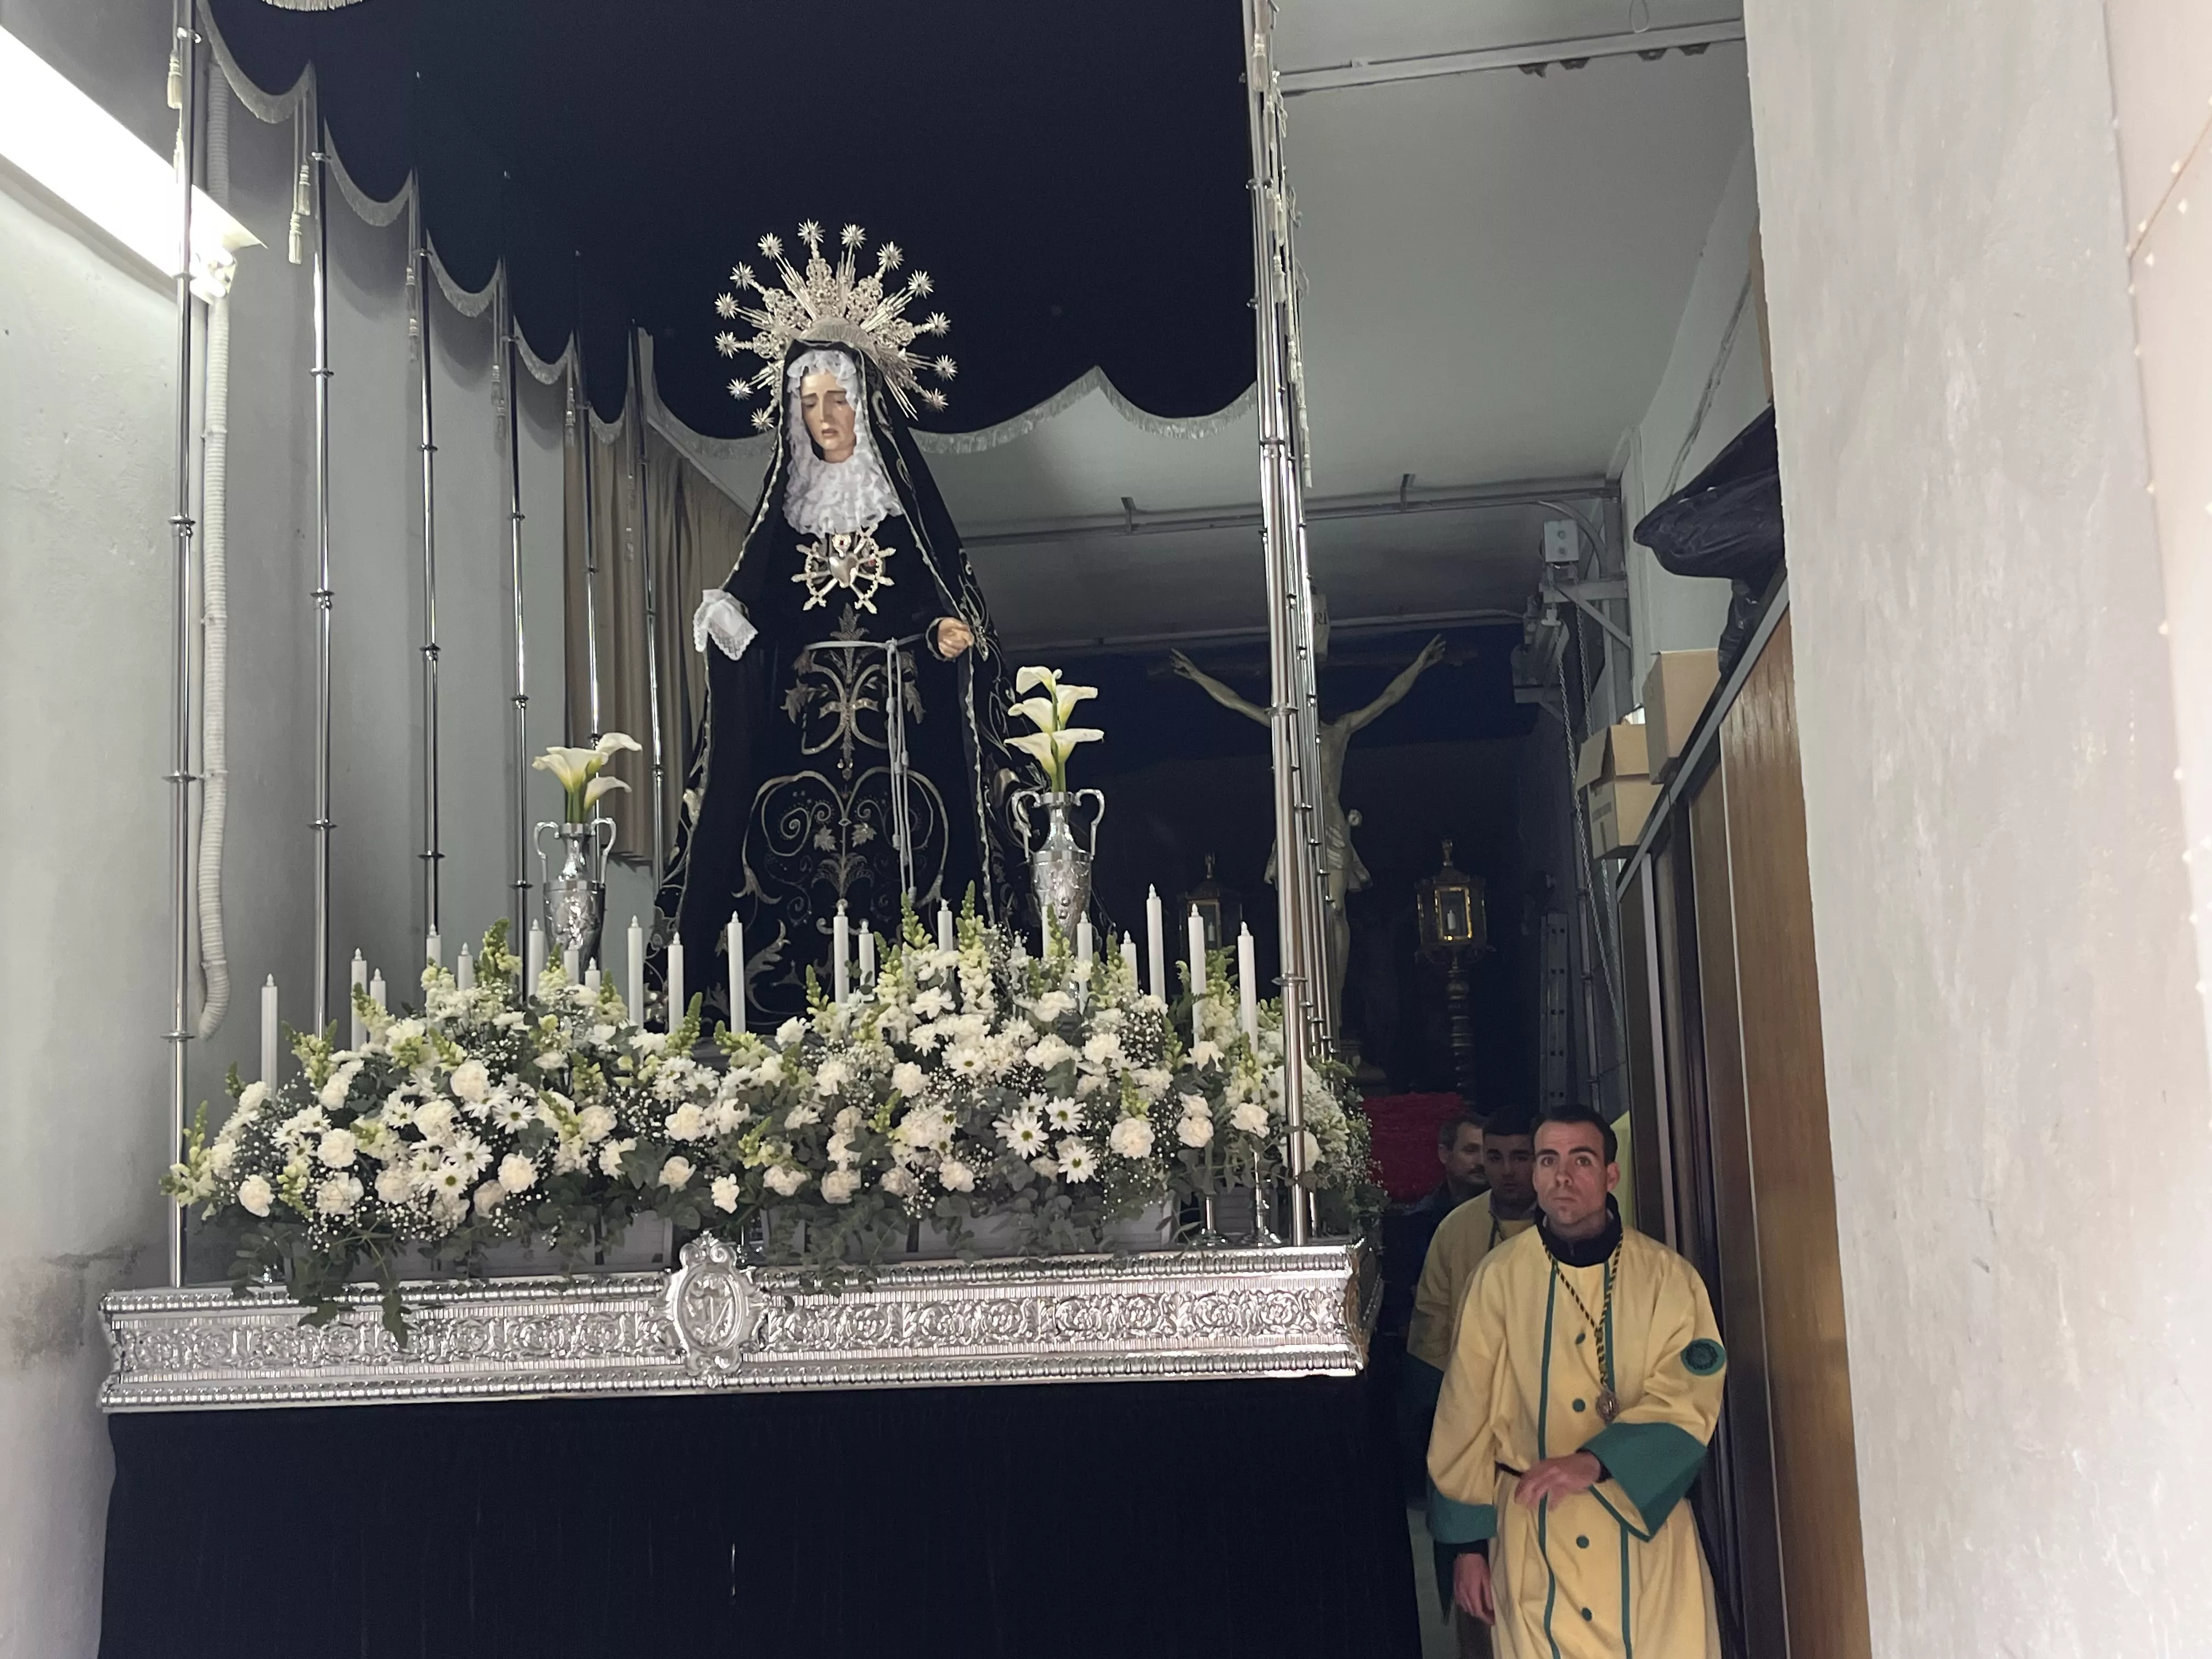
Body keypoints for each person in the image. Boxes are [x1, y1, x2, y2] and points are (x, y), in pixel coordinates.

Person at [657, 225, 1021, 1024]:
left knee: (912, 885)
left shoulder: (906, 517)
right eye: (808, 402)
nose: (823, 416)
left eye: (837, 399)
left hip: (899, 749)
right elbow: (750, 609)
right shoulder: (782, 520)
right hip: (798, 746)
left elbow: (940, 603)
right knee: (785, 884)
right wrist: (727, 620)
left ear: (867, 405)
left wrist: (945, 640)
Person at [1427, 1103, 1727, 1658]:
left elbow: (1692, 1394)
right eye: (1549, 1160)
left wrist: (1596, 1461)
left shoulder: (1668, 1279)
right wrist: (1468, 1547)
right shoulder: (1497, 1280)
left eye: (1581, 1160)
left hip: (1647, 1537)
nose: (1563, 1177)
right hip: (1533, 1534)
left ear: (1610, 1175)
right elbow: (1463, 1413)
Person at [1168, 627, 1447, 1030]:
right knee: (1299, 917)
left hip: (1332, 826)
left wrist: (1419, 666)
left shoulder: (1340, 730)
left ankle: (1333, 994)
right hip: (1296, 826)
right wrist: (1197, 676)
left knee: (1334, 910)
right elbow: (1233, 702)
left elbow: (1388, 699)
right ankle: (1307, 1002)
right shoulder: (1281, 728)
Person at [1408, 1104, 1537, 1374]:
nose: (1507, 1170)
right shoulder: (1455, 1228)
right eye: (1494, 1158)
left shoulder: (1565, 1224)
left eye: (1520, 1157)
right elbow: (1432, 1331)